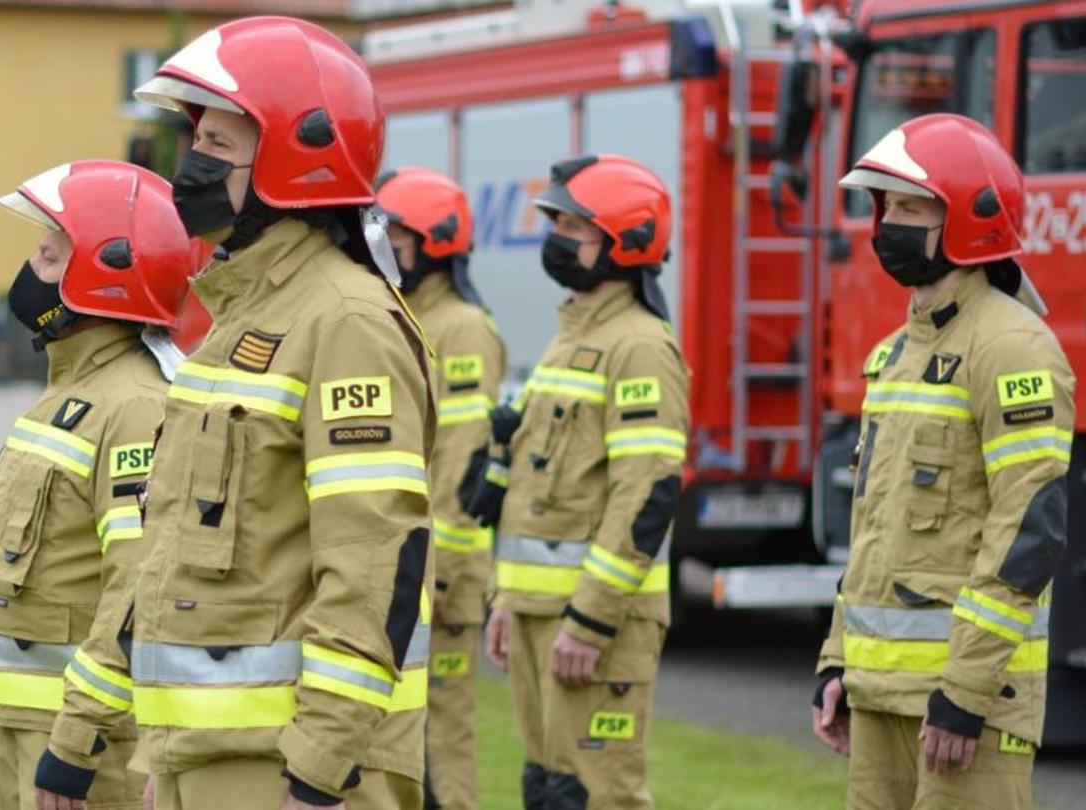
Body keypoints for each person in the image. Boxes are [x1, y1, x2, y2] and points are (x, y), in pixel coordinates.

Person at [113, 16, 435, 808]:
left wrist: (318, 772)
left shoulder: (347, 321)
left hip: (294, 771)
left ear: (299, 155)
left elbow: (372, 563)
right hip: (211, 758)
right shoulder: (241, 319)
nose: (191, 166)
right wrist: (166, 758)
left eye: (220, 145)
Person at [810, 113, 1073, 810]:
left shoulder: (1013, 347)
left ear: (968, 219)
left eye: (908, 208)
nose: (887, 225)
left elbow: (1027, 532)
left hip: (968, 709)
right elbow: (874, 530)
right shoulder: (897, 355)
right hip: (881, 697)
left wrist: (965, 691)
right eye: (885, 207)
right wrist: (839, 660)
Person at [0, 160, 196, 810]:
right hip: (23, 733)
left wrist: (78, 741)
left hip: (82, 749)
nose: (29, 271)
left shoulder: (136, 406)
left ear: (105, 272)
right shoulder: (68, 393)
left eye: (48, 255)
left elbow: (136, 589)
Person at [477, 154, 688, 810]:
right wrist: (505, 597)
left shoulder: (641, 347)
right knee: (550, 791)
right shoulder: (569, 340)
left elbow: (645, 493)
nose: (557, 239)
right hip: (542, 616)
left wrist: (592, 621)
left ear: (625, 241)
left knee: (601, 795)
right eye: (556, 222)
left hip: (598, 627)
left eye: (574, 225)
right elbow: (537, 491)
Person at [376, 166, 506, 810]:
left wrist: (450, 573)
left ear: (435, 242)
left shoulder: (461, 329)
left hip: (442, 575)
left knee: (444, 736)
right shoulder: (404, 316)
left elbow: (462, 460)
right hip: (405, 568)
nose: (386, 247)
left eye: (397, 235)